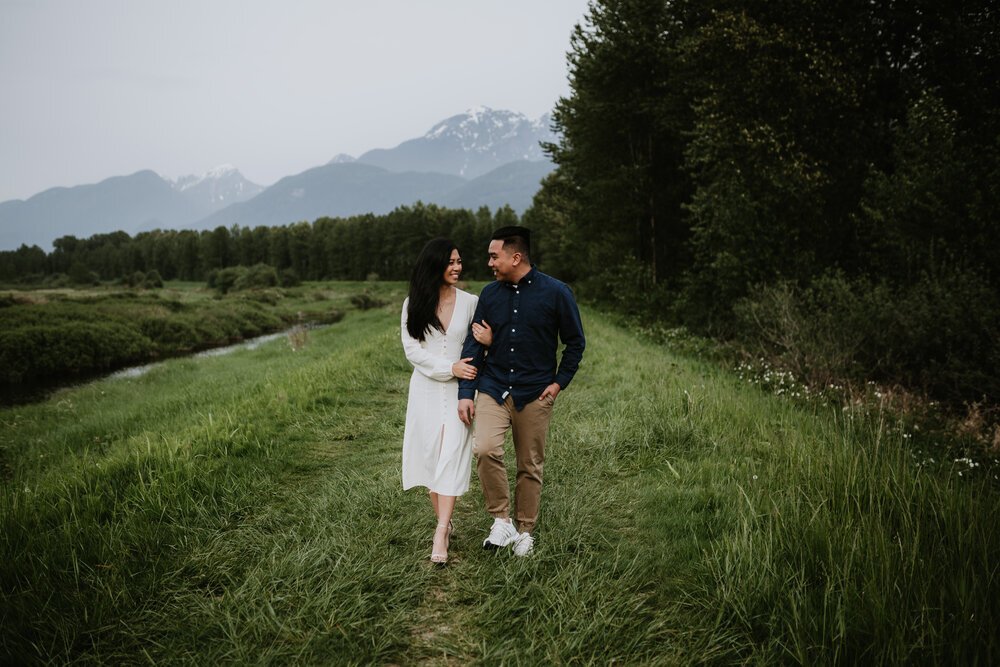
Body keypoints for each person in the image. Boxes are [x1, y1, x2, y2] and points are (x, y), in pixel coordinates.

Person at [458, 226, 585, 556]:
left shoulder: (556, 293)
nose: (489, 263)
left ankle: (525, 530)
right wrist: (465, 392)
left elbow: (575, 343)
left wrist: (558, 384)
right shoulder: (489, 295)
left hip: (535, 392)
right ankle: (502, 521)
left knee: (529, 464)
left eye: (493, 256)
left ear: (516, 257)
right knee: (485, 449)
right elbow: (474, 343)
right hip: (493, 386)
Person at [401, 238, 491, 565]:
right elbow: (413, 352)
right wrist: (446, 368)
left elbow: (480, 345)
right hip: (424, 390)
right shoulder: (413, 304)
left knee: (451, 454)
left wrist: (485, 345)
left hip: (460, 391)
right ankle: (445, 520)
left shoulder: (471, 302)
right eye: (451, 262)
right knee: (430, 458)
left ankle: (440, 530)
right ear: (435, 265)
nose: (457, 267)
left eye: (459, 261)